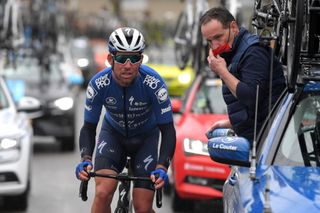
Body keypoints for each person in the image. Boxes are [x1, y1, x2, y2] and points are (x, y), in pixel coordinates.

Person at [75, 27, 176, 213]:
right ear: (110, 59)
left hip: (146, 139)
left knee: (143, 207)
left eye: (135, 58)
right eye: (121, 58)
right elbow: (88, 127)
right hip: (113, 135)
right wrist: (85, 158)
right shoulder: (98, 84)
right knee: (103, 194)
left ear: (141, 59)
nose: (128, 65)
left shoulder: (154, 83)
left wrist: (162, 166)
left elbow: (168, 130)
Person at [200, 7, 286, 141]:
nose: (215, 46)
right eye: (209, 41)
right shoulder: (233, 53)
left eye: (218, 37)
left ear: (233, 27)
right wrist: (232, 123)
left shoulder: (253, 51)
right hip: (256, 137)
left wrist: (222, 72)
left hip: (269, 141)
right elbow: (254, 108)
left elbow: (252, 97)